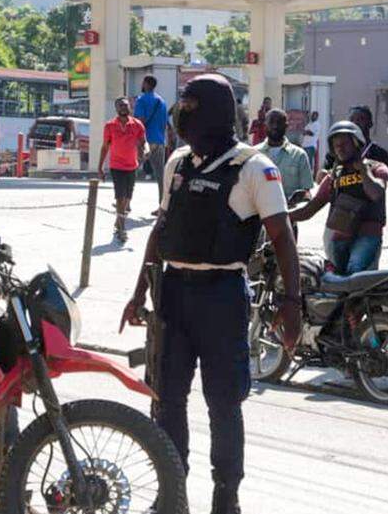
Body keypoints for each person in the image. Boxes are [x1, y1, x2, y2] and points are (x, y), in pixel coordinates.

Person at [120, 74, 302, 514]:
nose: (182, 110)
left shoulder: (254, 167)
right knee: (166, 399)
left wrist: (291, 305)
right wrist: (139, 290)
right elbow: (161, 229)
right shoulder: (177, 164)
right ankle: (172, 493)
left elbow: (283, 240)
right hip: (175, 294)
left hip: (222, 297)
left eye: (191, 103)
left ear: (217, 110)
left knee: (223, 403)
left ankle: (226, 498)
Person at [291, 121, 388, 275]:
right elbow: (312, 207)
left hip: (367, 236)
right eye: (336, 146)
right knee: (337, 283)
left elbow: (376, 193)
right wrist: (283, 216)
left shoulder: (376, 168)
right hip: (339, 239)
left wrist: (363, 170)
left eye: (344, 144)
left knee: (356, 273)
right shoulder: (334, 175)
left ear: (357, 143)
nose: (340, 149)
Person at [99, 97, 146, 243]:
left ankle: (118, 220)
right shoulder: (110, 126)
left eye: (126, 105)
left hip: (132, 166)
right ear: (116, 109)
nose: (124, 108)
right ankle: (121, 229)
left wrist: (144, 151)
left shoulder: (137, 125)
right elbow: (105, 146)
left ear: (130, 107)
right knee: (120, 197)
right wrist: (100, 167)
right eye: (121, 106)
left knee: (127, 199)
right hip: (116, 166)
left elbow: (143, 142)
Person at [255, 108, 314, 201]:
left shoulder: (299, 155)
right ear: (265, 126)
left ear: (286, 126)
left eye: (279, 122)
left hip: (291, 213)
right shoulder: (253, 154)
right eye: (272, 122)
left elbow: (306, 193)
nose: (275, 126)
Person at [133, 75, 169, 208]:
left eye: (143, 82)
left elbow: (140, 121)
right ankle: (163, 206)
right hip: (159, 140)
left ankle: (125, 203)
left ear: (147, 84)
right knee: (161, 175)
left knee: (131, 170)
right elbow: (165, 124)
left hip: (145, 141)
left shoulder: (141, 100)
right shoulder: (162, 101)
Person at [323, 105, 388, 172]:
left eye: (361, 119)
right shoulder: (337, 152)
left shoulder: (380, 153)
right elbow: (322, 177)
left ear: (370, 123)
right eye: (352, 120)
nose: (355, 123)